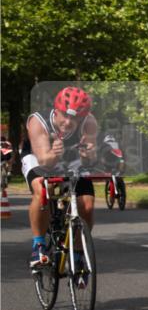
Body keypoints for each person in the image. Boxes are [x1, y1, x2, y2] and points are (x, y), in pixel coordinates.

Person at [22, 87, 99, 267]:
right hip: (39, 156)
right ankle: (38, 244)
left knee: (87, 204)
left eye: (74, 118)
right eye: (64, 115)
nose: (68, 121)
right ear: (56, 110)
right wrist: (55, 154)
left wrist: (89, 155)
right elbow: (45, 161)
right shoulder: (37, 121)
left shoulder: (89, 121)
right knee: (43, 189)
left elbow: (89, 160)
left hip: (70, 157)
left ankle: (79, 251)